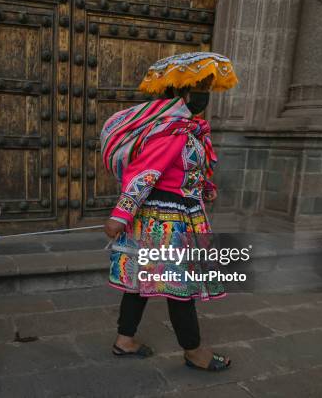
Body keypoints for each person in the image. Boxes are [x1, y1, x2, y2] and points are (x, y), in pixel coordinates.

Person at [100, 52, 238, 371]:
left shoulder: (186, 130)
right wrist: (120, 215)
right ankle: (194, 351)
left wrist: (204, 188)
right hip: (167, 221)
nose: (206, 93)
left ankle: (124, 340)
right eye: (201, 86)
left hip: (175, 213)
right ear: (184, 93)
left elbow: (183, 171)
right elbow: (145, 172)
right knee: (181, 286)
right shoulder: (172, 131)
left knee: (142, 280)